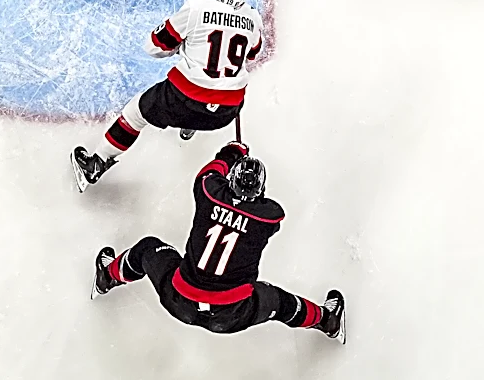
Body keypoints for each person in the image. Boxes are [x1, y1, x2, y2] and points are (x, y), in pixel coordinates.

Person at [90, 140, 346, 342]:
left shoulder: (209, 192)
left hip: (179, 300)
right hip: (233, 313)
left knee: (147, 249)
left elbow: (208, 173)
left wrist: (232, 153)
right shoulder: (269, 217)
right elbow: (265, 212)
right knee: (282, 303)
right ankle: (326, 320)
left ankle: (109, 276)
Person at [70, 0, 263, 193]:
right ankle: (190, 125)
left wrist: (180, 47)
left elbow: (154, 47)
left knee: (135, 114)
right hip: (225, 113)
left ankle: (96, 163)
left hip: (184, 98)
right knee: (209, 98)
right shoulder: (253, 18)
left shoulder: (196, 8)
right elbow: (252, 54)